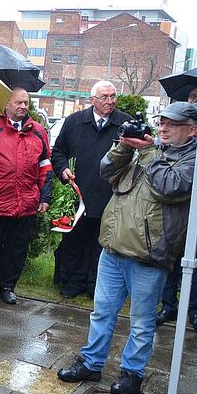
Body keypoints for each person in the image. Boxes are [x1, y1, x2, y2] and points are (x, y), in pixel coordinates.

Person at [57, 102, 197, 394]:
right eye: (161, 123)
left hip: (148, 255)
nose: (163, 129)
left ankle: (132, 373)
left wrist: (148, 152)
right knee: (102, 312)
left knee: (141, 321)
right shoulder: (148, 152)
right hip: (113, 247)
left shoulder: (196, 161)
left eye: (171, 125)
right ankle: (91, 362)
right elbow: (106, 171)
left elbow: (168, 187)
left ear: (193, 130)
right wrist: (125, 146)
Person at [0, 88, 52, 305]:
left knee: (17, 248)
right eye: (18, 102)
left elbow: (45, 166)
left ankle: (8, 286)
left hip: (26, 202)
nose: (23, 106)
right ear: (6, 105)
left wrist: (45, 196)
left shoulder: (39, 132)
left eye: (26, 102)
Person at [51, 81, 130, 299]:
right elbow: (58, 152)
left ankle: (95, 286)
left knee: (102, 245)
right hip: (79, 196)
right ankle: (72, 282)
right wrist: (63, 169)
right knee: (75, 242)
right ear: (92, 100)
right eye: (104, 97)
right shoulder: (75, 122)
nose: (110, 101)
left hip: (111, 197)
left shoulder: (125, 124)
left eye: (113, 96)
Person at [157, 85, 197, 331]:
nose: (195, 101)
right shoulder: (173, 144)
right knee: (171, 261)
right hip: (174, 214)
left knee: (196, 262)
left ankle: (194, 310)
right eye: (192, 97)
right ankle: (169, 304)